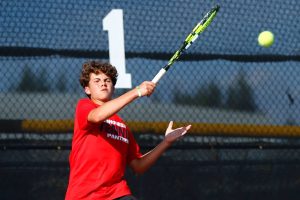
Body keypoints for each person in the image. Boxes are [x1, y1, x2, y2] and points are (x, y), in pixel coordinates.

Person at [65, 60, 191, 200]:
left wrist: (166, 142)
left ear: (113, 88)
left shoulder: (122, 126)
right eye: (97, 80)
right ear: (87, 89)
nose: (103, 83)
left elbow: (138, 166)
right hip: (83, 196)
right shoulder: (85, 107)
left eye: (107, 80)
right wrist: (137, 91)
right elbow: (97, 116)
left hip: (117, 193)